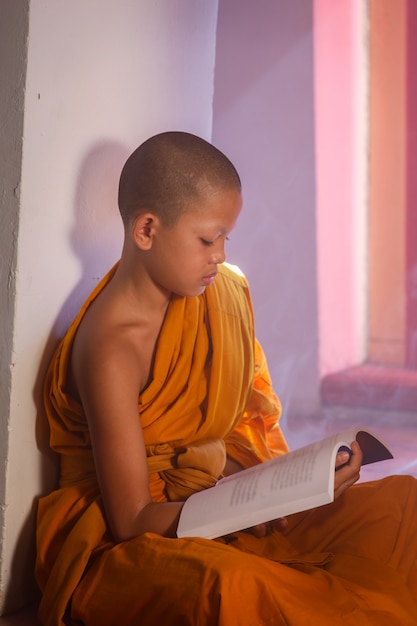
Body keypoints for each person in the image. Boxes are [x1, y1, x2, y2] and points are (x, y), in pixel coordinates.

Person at [36, 131, 417, 625]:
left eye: (225, 238)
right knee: (236, 586)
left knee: (403, 505)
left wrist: (297, 489)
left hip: (220, 503)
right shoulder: (113, 347)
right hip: (137, 541)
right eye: (206, 239)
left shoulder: (220, 297)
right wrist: (244, 511)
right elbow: (131, 522)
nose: (219, 255)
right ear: (147, 229)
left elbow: (239, 434)